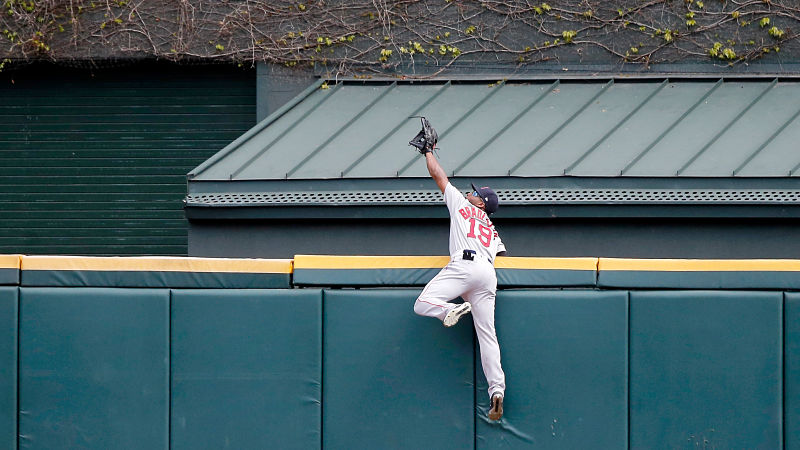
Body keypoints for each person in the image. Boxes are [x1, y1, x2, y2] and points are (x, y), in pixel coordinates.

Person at [412, 148, 507, 421]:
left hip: (464, 266)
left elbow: (438, 175)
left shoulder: (463, 205)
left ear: (480, 204)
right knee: (487, 335)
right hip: (487, 274)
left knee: (422, 304)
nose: (472, 193)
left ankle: (447, 311)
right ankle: (497, 390)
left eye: (477, 194)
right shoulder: (492, 228)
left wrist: (428, 151)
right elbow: (501, 254)